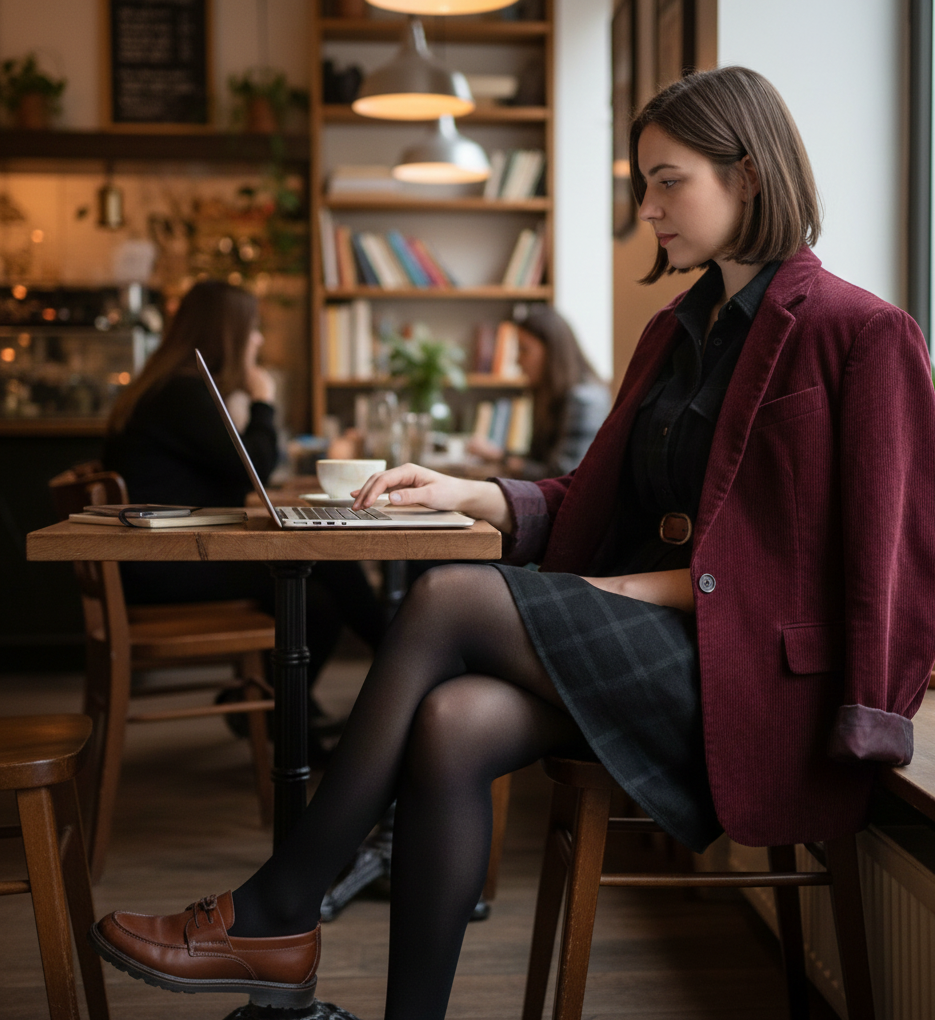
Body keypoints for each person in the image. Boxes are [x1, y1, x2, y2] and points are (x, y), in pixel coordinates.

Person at [90, 68, 935, 1019]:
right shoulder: (674, 334)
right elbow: (599, 497)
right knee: (452, 724)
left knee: (449, 594)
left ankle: (277, 909)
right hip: (663, 652)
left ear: (745, 175)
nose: (646, 208)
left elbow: (884, 559)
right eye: (639, 184)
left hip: (761, 684)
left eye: (667, 181)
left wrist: (866, 713)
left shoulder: (862, 334)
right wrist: (473, 492)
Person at [103, 280, 385, 742]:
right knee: (315, 592)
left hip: (163, 554)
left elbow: (232, 475)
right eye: (253, 329)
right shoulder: (182, 396)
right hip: (163, 566)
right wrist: (262, 399)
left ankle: (299, 700)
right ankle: (293, 705)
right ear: (227, 334)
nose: (258, 341)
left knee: (326, 573)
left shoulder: (169, 391)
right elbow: (254, 466)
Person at [468, 304, 609, 479]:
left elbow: (565, 477)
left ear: (552, 352)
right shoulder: (547, 394)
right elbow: (538, 459)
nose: (517, 361)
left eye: (524, 350)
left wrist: (499, 458)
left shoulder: (585, 399)